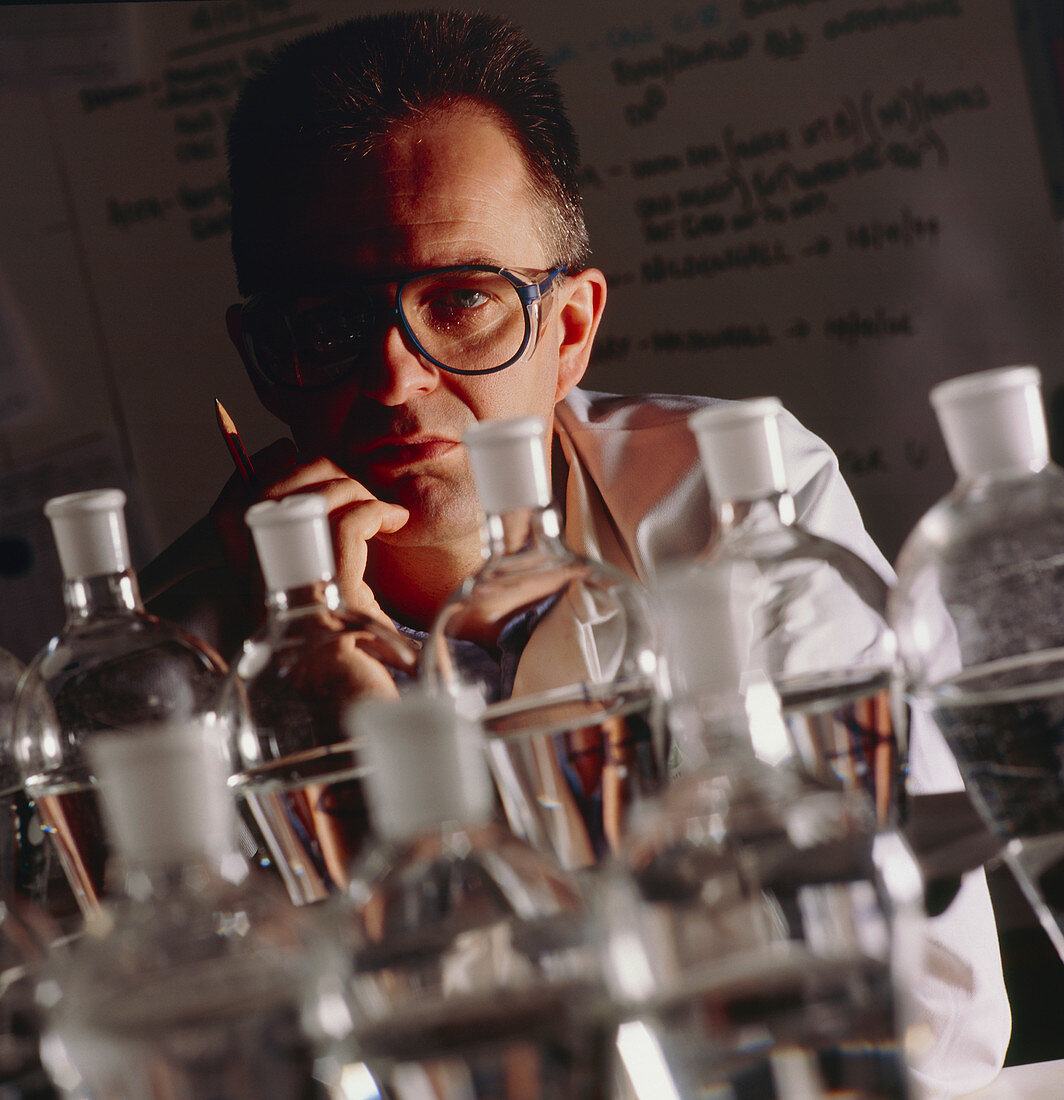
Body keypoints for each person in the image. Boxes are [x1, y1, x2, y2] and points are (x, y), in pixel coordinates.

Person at [139, 10, 1010, 1096]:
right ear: (263, 361)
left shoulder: (734, 496)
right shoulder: (165, 663)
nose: (395, 378)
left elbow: (916, 976)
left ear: (567, 331)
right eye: (323, 319)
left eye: (458, 300)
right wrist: (338, 711)